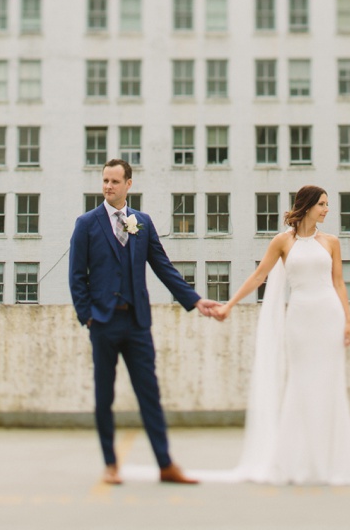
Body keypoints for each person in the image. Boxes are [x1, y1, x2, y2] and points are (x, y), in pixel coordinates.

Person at [210, 185, 350, 485]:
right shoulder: (282, 242)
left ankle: (333, 461)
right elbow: (258, 276)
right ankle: (296, 461)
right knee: (301, 384)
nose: (327, 210)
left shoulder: (331, 242)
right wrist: (229, 305)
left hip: (329, 316)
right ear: (306, 206)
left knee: (330, 386)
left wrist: (348, 320)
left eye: (327, 204)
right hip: (300, 320)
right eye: (322, 204)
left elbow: (339, 283)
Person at [69, 158, 222, 486]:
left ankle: (166, 465)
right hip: (104, 323)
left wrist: (195, 299)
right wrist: (89, 318)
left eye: (114, 181)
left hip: (137, 322)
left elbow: (163, 267)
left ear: (128, 184)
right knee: (104, 396)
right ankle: (111, 464)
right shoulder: (86, 223)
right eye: (105, 180)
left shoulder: (143, 223)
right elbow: (76, 277)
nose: (108, 186)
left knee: (149, 394)